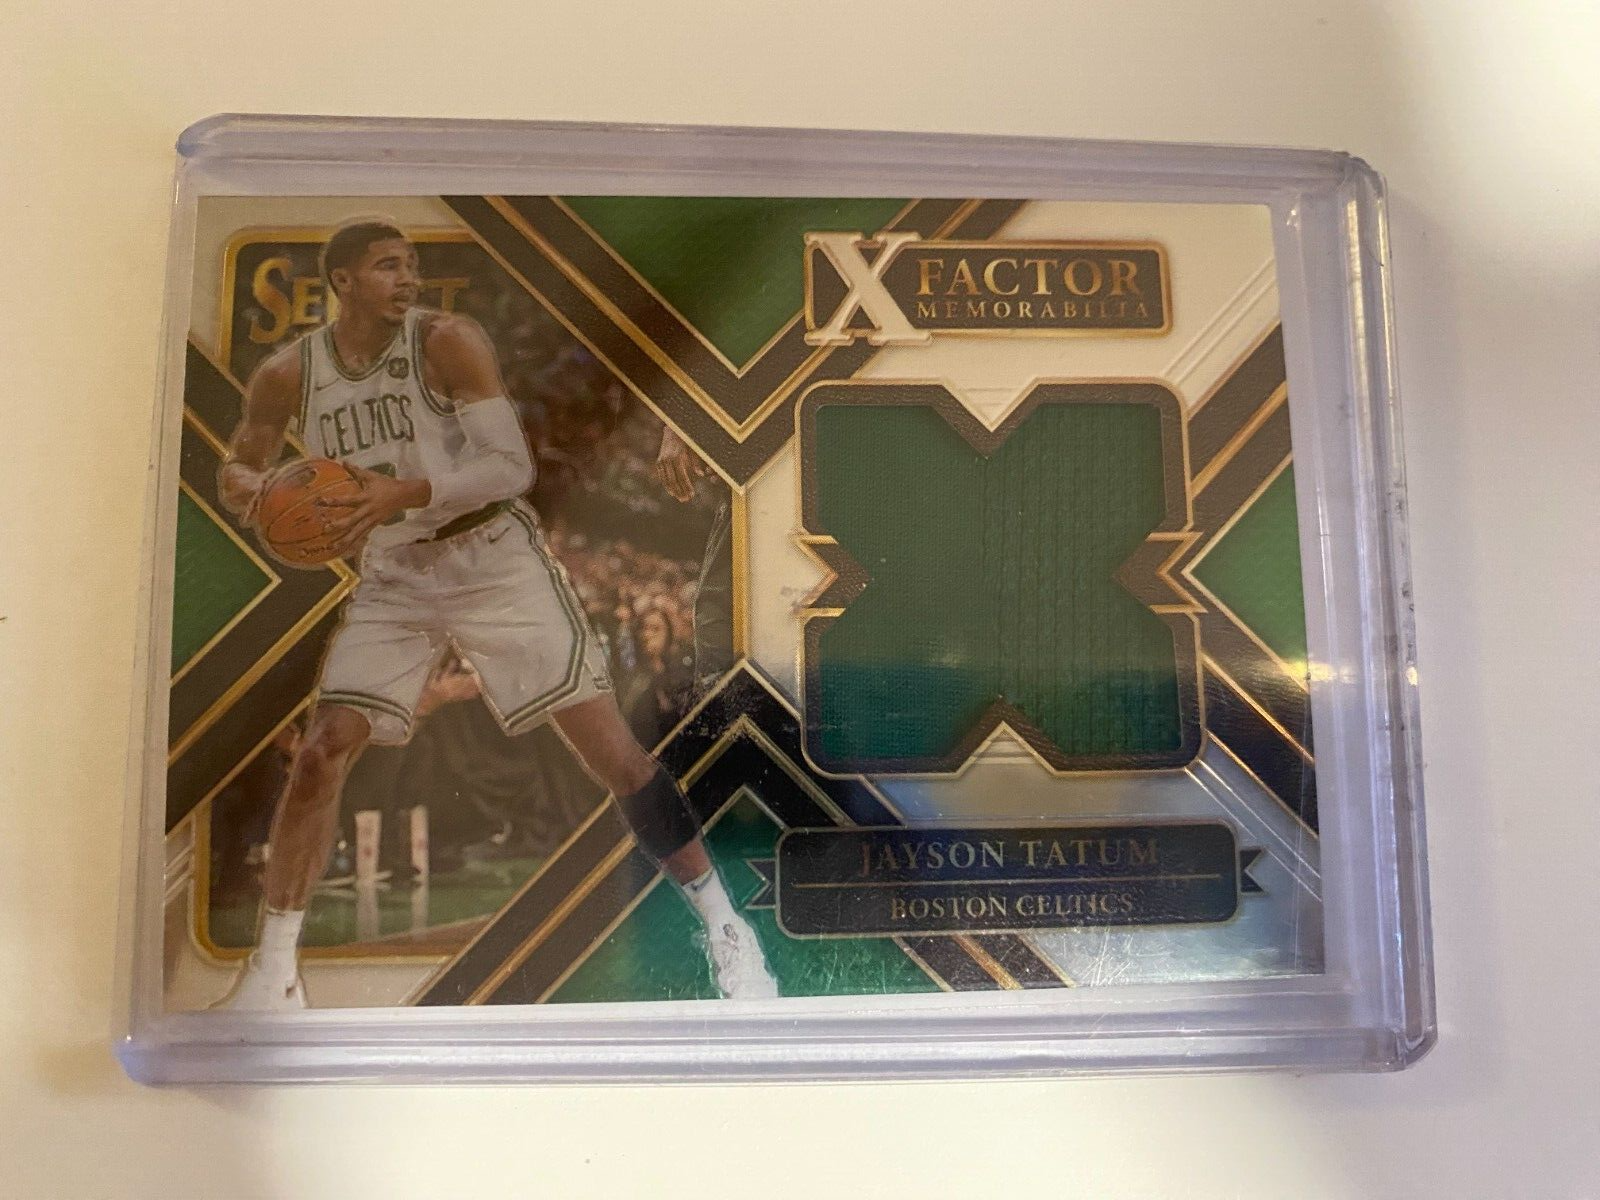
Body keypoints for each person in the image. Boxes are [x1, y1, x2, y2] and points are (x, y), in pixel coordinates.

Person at [215, 219, 776, 1009]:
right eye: (387, 267)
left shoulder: (447, 341)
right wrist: (257, 491)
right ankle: (273, 974)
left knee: (614, 757)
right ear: (342, 281)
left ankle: (725, 927)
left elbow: (509, 466)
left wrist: (404, 491)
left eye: (411, 265)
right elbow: (240, 463)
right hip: (395, 570)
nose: (407, 279)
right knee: (320, 752)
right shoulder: (287, 374)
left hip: (491, 560)